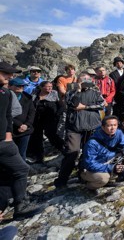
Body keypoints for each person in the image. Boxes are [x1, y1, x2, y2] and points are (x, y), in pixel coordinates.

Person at [0, 61, 45, 219]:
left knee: (14, 169)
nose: (10, 76)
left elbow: (7, 115)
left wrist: (8, 136)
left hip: (5, 141)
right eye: (6, 73)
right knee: (19, 169)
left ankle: (12, 203)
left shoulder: (5, 94)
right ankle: (19, 205)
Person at [54, 72, 105, 188]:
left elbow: (102, 104)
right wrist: (77, 90)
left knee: (90, 152)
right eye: (83, 79)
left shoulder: (95, 92)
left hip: (92, 126)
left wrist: (86, 107)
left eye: (87, 79)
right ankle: (62, 180)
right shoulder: (70, 92)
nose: (85, 82)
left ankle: (84, 176)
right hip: (74, 127)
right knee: (72, 152)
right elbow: (71, 103)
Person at [80, 115, 124, 191]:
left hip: (109, 160)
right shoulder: (92, 143)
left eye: (115, 125)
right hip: (93, 167)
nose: (113, 128)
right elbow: (90, 164)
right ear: (102, 127)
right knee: (103, 178)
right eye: (109, 126)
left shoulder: (118, 133)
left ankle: (113, 176)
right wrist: (112, 168)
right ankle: (88, 186)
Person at [28, 80, 64, 163]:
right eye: (48, 86)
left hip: (51, 118)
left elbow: (61, 106)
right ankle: (38, 156)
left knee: (51, 134)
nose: (50, 88)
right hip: (37, 118)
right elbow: (31, 104)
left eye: (51, 87)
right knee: (36, 136)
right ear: (41, 87)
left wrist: (57, 115)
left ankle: (63, 148)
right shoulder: (35, 93)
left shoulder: (54, 94)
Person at [8, 78, 35, 161]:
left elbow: (31, 112)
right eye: (18, 86)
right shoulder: (5, 96)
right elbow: (6, 114)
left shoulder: (27, 97)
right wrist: (19, 125)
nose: (21, 87)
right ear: (10, 86)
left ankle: (21, 172)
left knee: (22, 153)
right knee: (9, 153)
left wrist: (26, 125)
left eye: (23, 86)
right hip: (9, 130)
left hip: (25, 130)